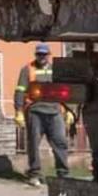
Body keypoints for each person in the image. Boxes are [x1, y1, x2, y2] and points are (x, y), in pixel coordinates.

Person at [14, 43, 70, 186]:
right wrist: (18, 111)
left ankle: (62, 174)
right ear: (36, 55)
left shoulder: (55, 70)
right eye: (39, 54)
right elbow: (20, 90)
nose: (41, 57)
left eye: (44, 54)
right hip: (35, 112)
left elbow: (65, 91)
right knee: (33, 144)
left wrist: (69, 111)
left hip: (54, 111)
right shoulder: (27, 69)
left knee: (60, 142)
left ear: (48, 55)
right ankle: (35, 174)